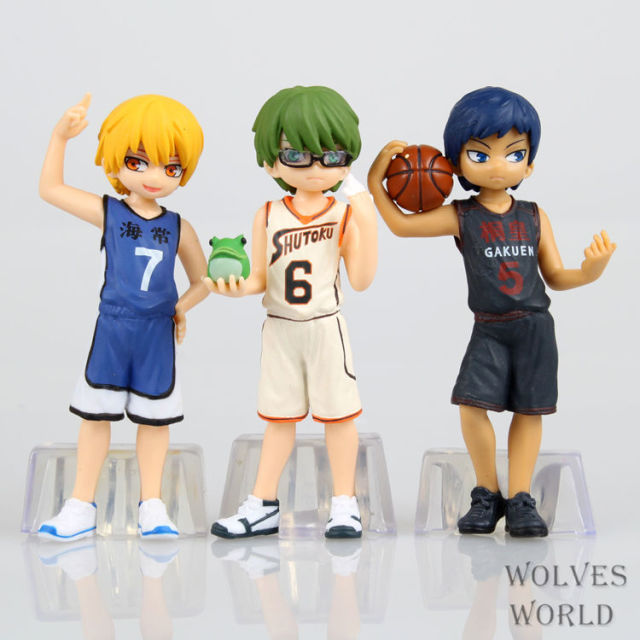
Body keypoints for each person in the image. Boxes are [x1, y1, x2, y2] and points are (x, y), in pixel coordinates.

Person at [368, 86, 616, 537]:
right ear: (455, 163)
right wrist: (375, 182)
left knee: (529, 411)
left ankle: (520, 498)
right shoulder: (461, 215)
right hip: (489, 327)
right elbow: (401, 225)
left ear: (530, 163)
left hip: (534, 327)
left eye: (514, 153)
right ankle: (488, 492)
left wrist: (589, 272)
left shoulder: (534, 215)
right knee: (470, 406)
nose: (498, 164)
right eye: (480, 155)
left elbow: (555, 276)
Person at [206, 85, 377, 539]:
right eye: (297, 156)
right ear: (271, 162)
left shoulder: (343, 214)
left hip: (324, 326)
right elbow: (260, 279)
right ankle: (262, 503)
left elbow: (361, 279)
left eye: (331, 155)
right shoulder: (267, 213)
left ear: (346, 159)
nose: (316, 168)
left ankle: (345, 503)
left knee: (340, 417)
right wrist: (234, 287)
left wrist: (367, 216)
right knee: (277, 418)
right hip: (280, 328)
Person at [38, 94, 209, 541]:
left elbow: (203, 280)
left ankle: (152, 504)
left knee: (155, 419)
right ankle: (81, 503)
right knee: (96, 414)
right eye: (139, 162)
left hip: (156, 333)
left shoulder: (178, 227)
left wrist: (181, 307)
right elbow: (50, 189)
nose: (154, 176)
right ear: (118, 162)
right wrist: (59, 138)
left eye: (171, 167)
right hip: (113, 327)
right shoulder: (110, 212)